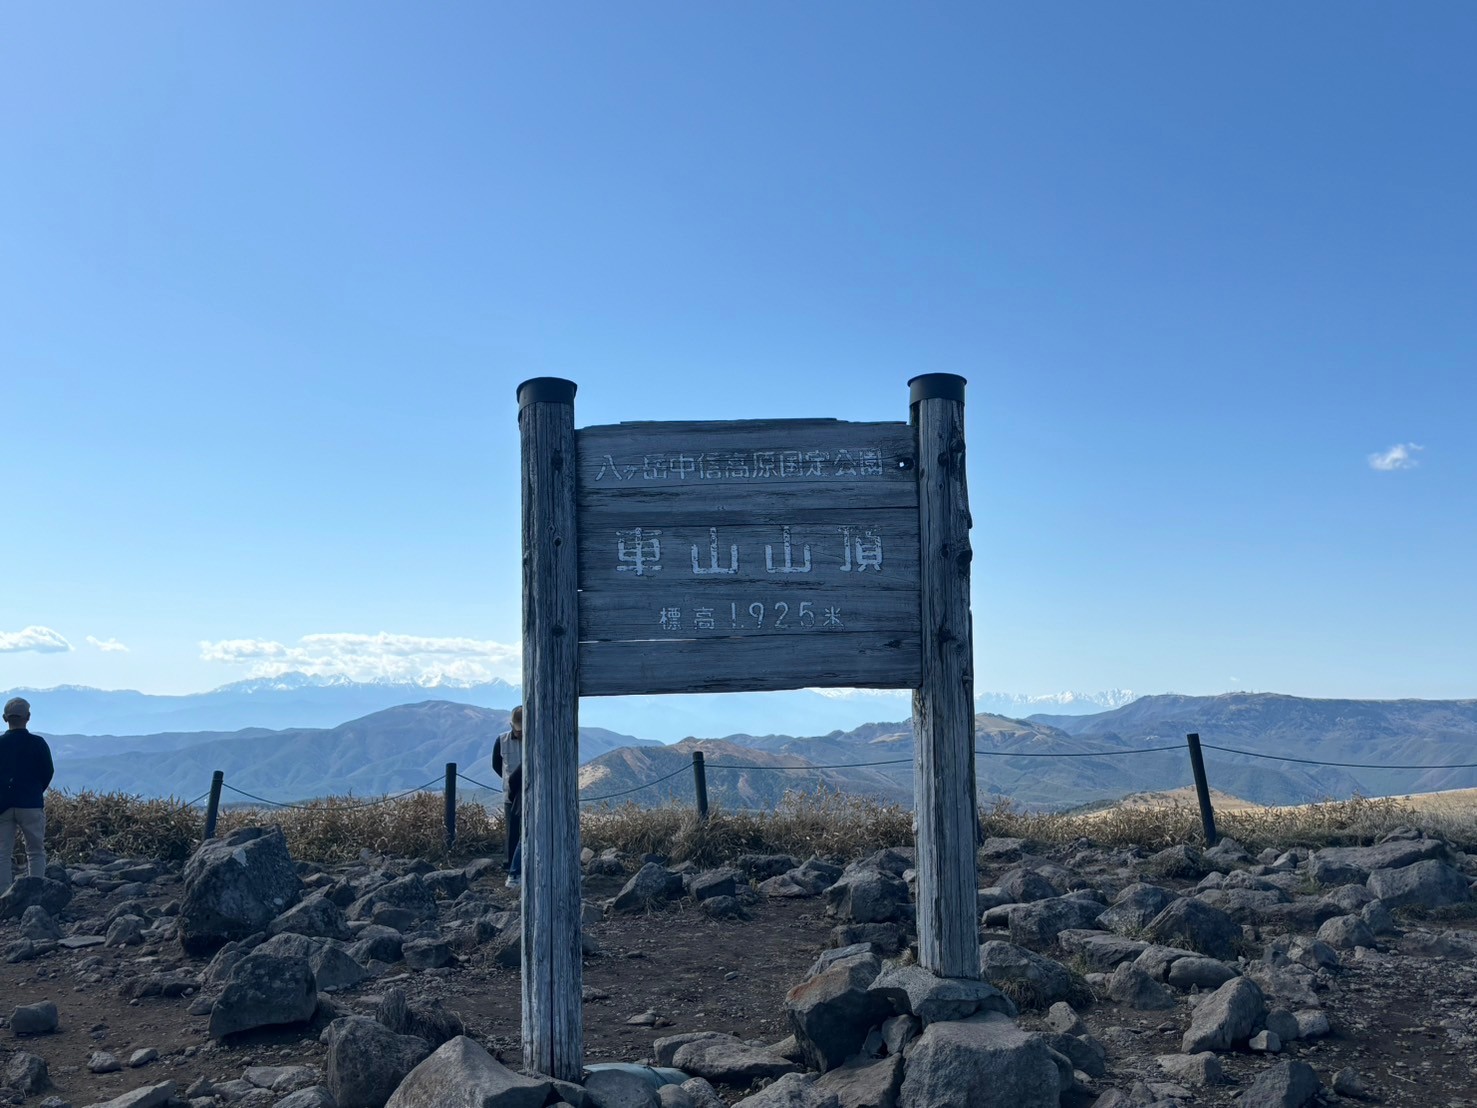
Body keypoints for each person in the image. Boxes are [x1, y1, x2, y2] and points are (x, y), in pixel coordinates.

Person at [1, 697, 54, 891]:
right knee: (35, 850)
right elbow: (48, 771)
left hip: (3, 804)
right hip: (31, 803)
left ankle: (3, 896)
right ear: (28, 717)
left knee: (3, 853)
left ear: (5, 717)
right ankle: (35, 890)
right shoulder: (38, 743)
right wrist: (35, 791)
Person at [492, 705, 523, 889]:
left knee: (524, 833)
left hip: (527, 792)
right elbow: (496, 764)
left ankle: (516, 868)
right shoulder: (502, 740)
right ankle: (511, 866)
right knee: (512, 832)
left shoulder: (533, 739)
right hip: (511, 795)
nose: (520, 734)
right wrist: (508, 781)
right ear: (512, 726)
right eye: (518, 731)